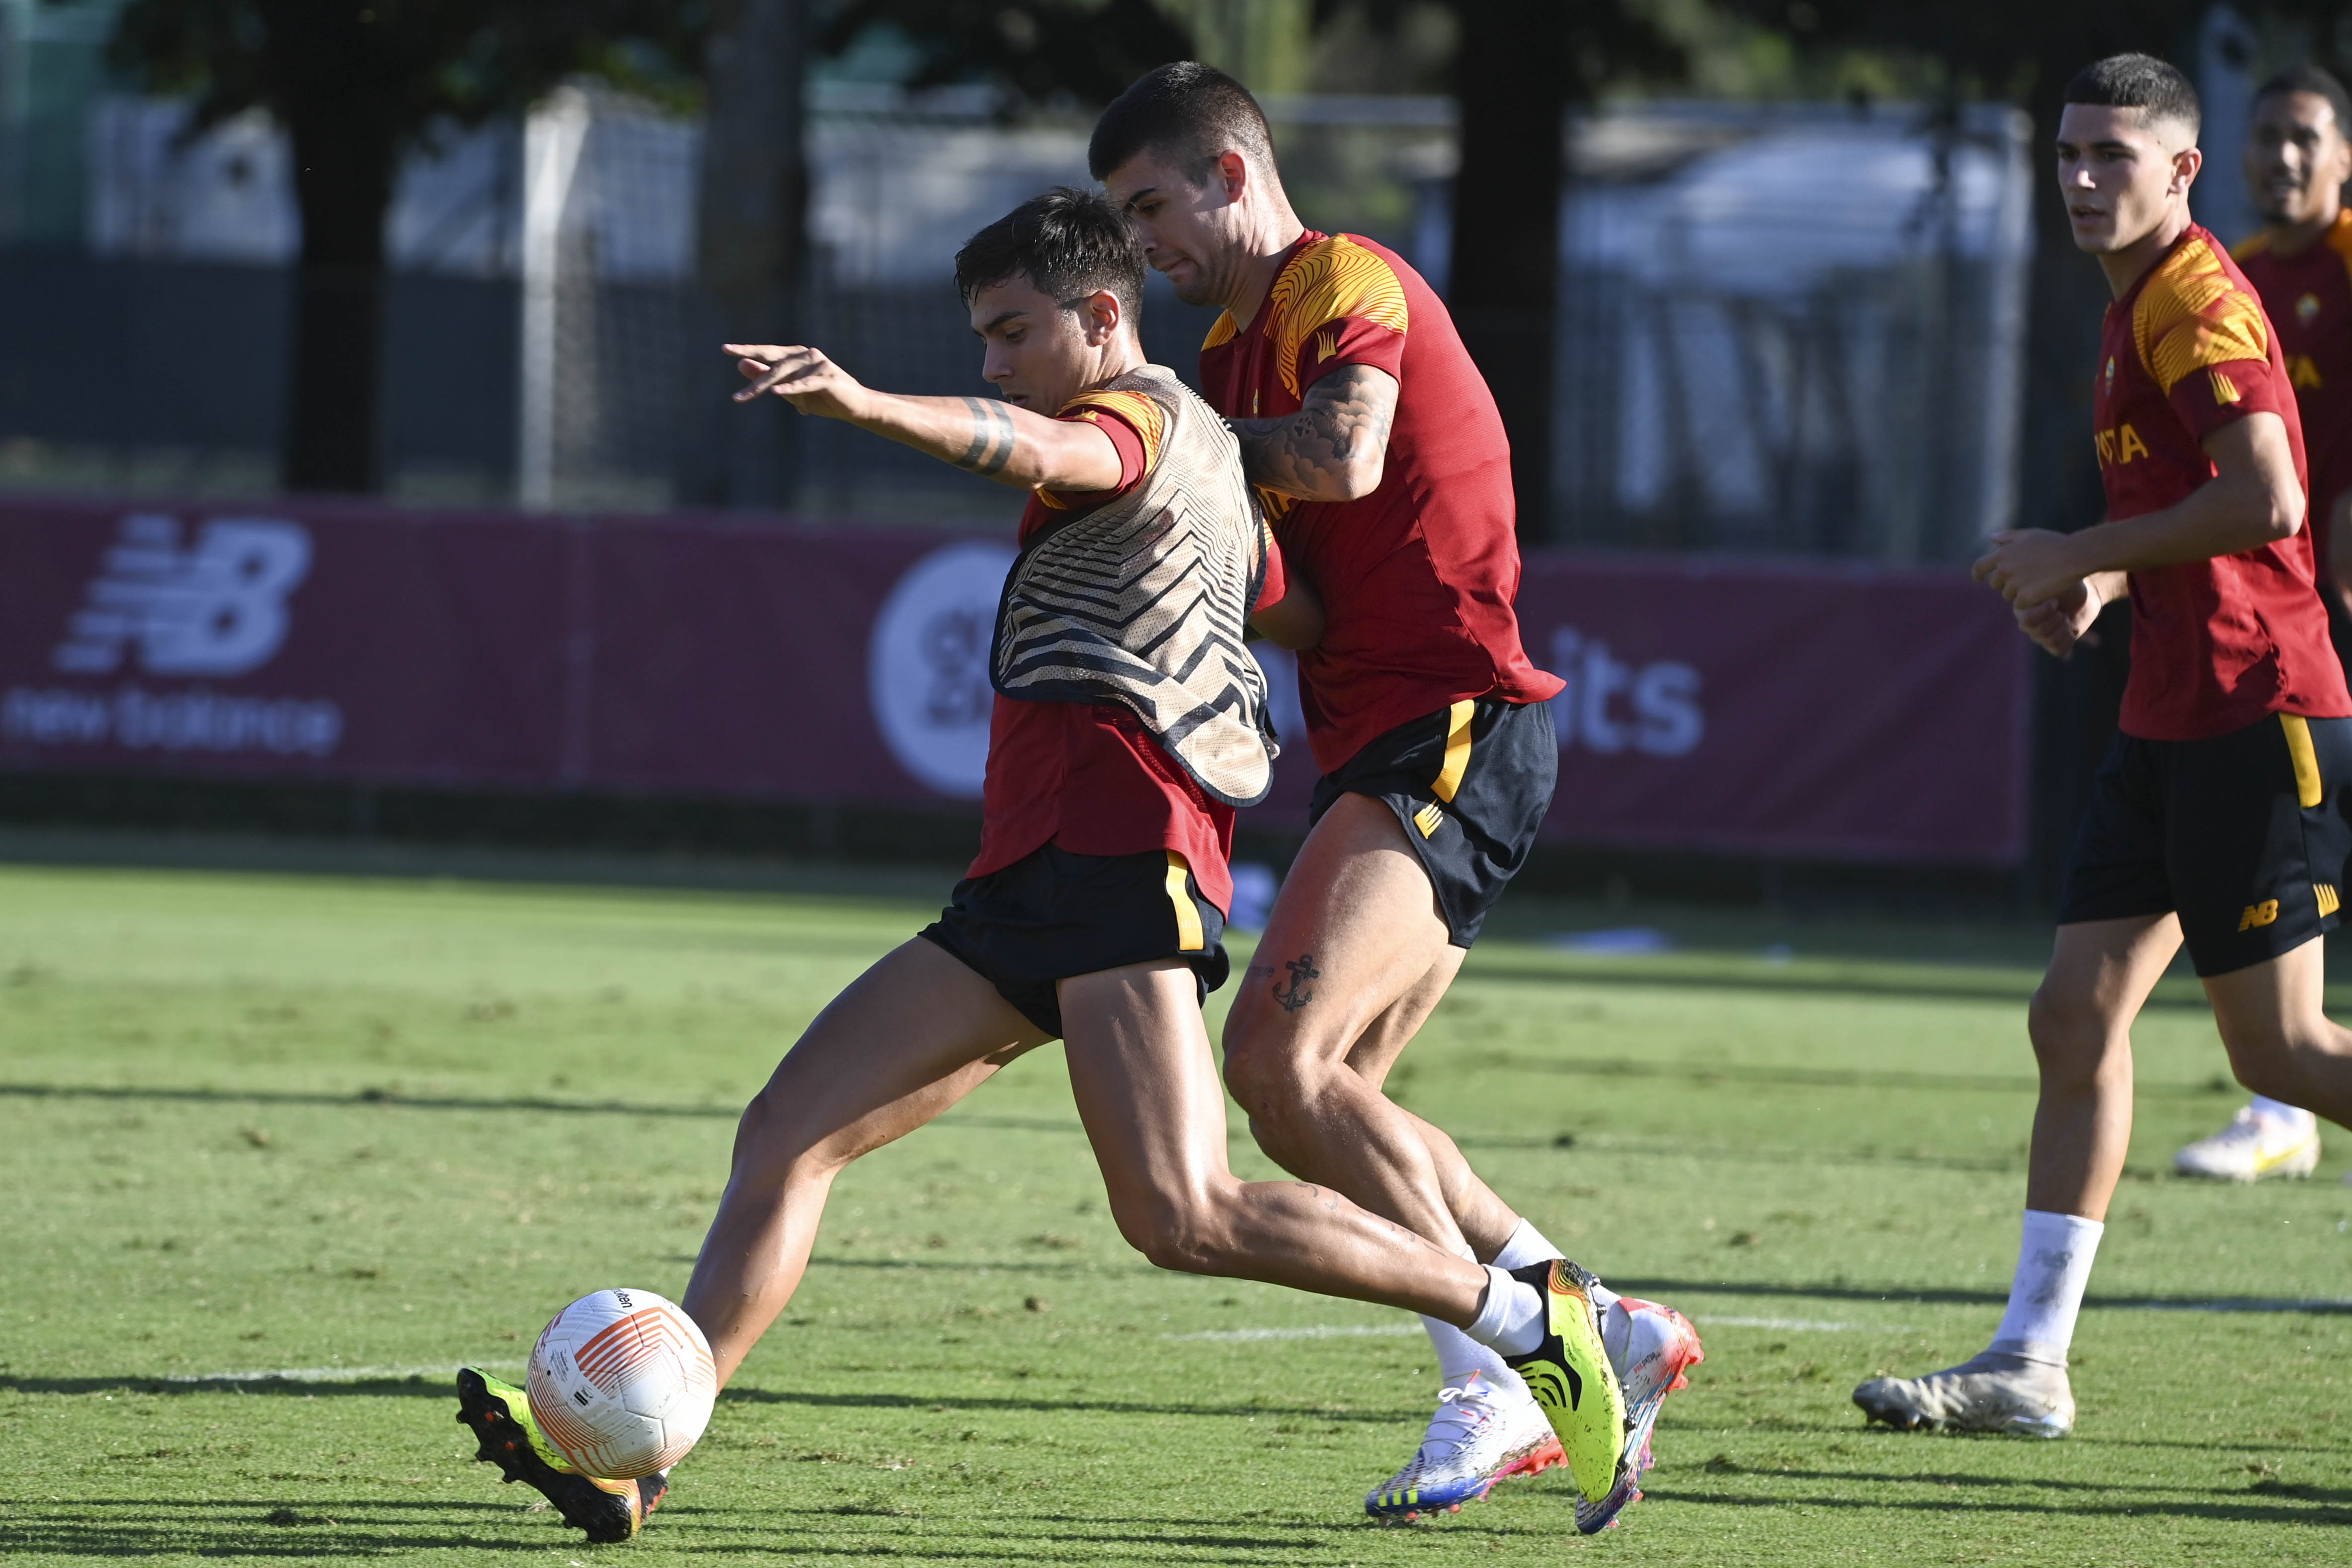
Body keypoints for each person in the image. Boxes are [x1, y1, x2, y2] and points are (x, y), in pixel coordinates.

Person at [450, 189, 1626, 1542]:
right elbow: (1267, 594)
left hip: (1123, 860)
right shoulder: (1191, 459)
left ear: (1102, 318)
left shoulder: (1134, 419)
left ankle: (1515, 1315)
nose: (994, 363)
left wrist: (872, 406)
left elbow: (1029, 448)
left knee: (1182, 1212)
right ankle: (643, 1450)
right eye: (982, 339)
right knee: (787, 1134)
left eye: (1013, 332)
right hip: (1024, 876)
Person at [1089, 64, 1700, 1530]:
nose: (1137, 243)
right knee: (1324, 1098)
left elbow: (1347, 451)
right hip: (1392, 736)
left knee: (1279, 1070)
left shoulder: (1333, 279)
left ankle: (1496, 1382)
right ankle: (1602, 1324)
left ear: (1232, 175)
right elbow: (1293, 604)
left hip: (1450, 727)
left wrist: (1161, 449)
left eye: (1149, 206)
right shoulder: (1228, 357)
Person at [1855, 53, 2352, 1439]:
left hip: (2258, 716)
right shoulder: (2133, 298)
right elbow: (2198, 511)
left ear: (2180, 170)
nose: (2079, 179)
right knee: (2070, 1013)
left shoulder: (2191, 295)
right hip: (2169, 710)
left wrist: (2079, 546)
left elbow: (2265, 495)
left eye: (2110, 157)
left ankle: (2028, 1355)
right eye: (2066, 154)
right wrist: (2109, 581)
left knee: (2284, 1058)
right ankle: (2027, 1361)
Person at [2173, 63, 2352, 1184]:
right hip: (2285, 626)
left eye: (2306, 137)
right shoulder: (2233, 279)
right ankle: (2278, 1101)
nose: (2284, 156)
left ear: (2343, 157)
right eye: (2268, 136)